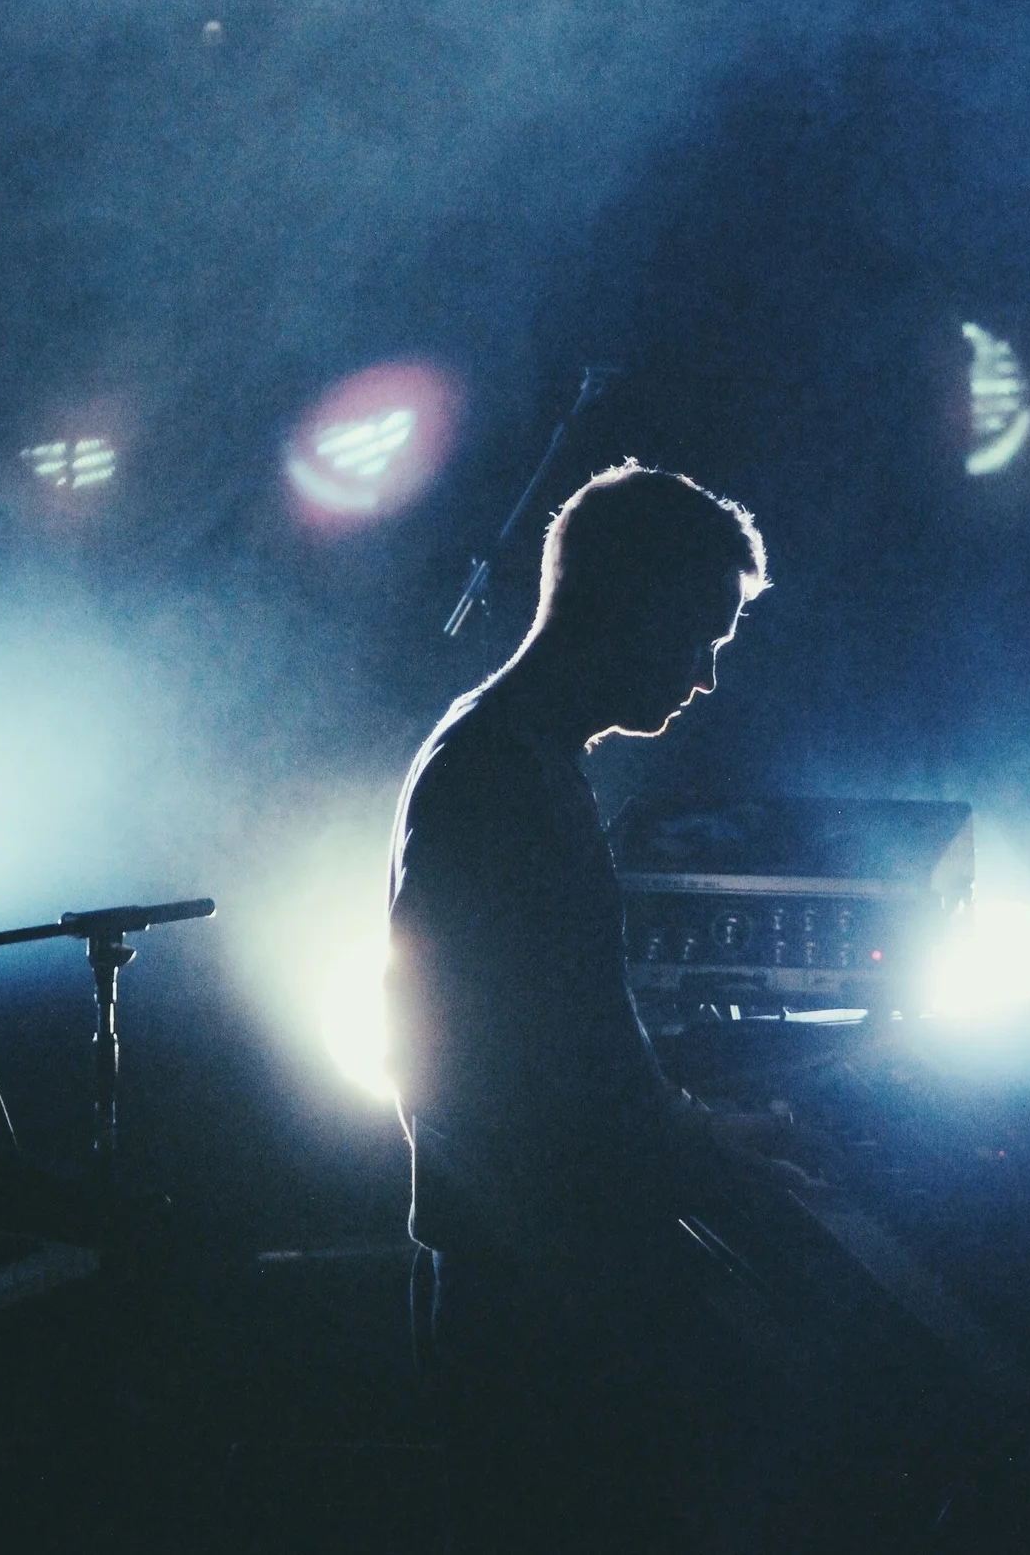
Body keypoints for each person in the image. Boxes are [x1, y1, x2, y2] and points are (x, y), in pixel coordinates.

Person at [387, 460, 770, 1552]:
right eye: (702, 635)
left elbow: (569, 1042)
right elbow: (538, 1076)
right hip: (535, 1299)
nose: (704, 677)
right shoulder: (495, 781)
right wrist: (720, 1162)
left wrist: (698, 1134)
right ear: (633, 603)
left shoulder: (512, 754)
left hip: (533, 1271)